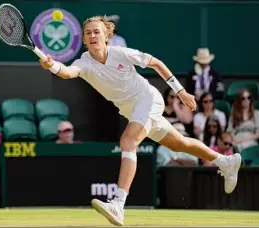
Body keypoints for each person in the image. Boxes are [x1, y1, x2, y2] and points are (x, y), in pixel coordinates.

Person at [38, 15, 241, 226]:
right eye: (88, 33)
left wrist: (180, 92)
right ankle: (226, 162)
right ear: (84, 39)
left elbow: (156, 63)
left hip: (148, 99)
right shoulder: (84, 62)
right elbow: (68, 72)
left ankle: (118, 204)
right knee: (180, 143)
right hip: (131, 110)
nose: (92, 36)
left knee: (128, 141)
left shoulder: (121, 54)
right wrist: (52, 65)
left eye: (97, 31)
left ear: (107, 36)